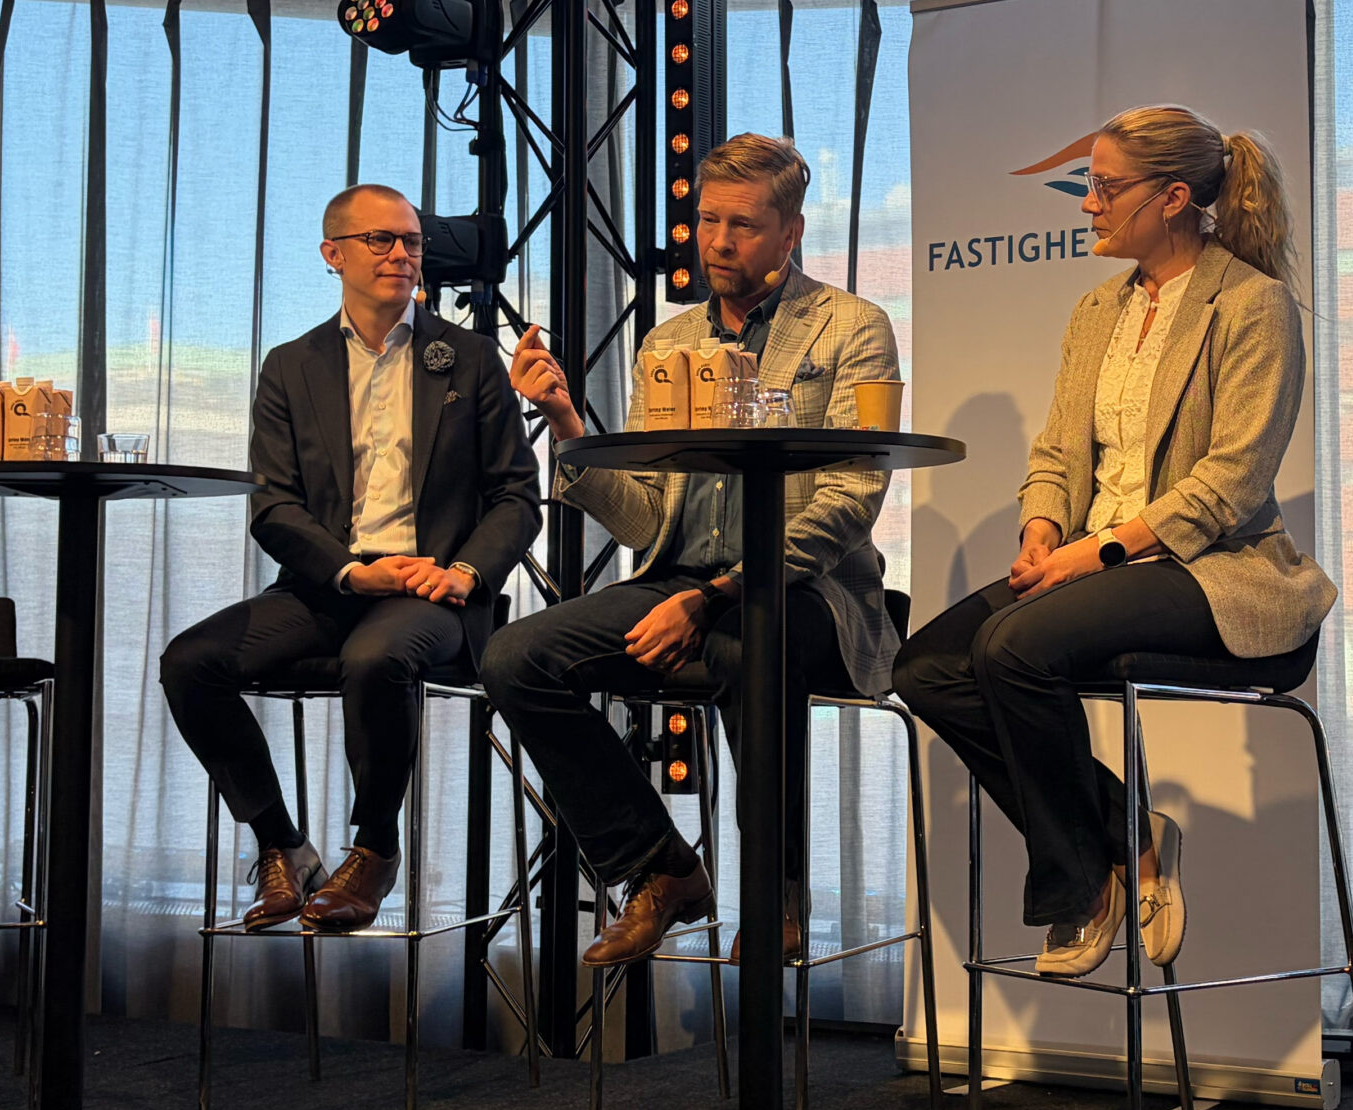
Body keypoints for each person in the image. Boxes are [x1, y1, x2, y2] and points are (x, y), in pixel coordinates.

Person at [892, 104, 1329, 981]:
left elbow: (1231, 483)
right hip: (1094, 556)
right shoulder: (1098, 310)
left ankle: (1081, 884)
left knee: (1013, 646)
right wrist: (1043, 530)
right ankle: (1129, 829)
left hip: (1211, 567)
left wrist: (1092, 554)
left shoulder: (1252, 304)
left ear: (1173, 198)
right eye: (1088, 183)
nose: (1087, 202)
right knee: (924, 667)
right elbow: (1058, 451)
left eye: (1104, 186)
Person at [485, 133, 901, 967]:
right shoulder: (668, 342)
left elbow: (850, 500)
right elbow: (647, 520)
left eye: (742, 225)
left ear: (790, 232)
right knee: (514, 657)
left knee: (749, 643)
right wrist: (567, 422)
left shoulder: (851, 327)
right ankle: (661, 865)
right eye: (707, 220)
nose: (717, 241)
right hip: (678, 579)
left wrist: (713, 598)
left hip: (807, 595)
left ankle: (778, 894)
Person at [160, 183, 540, 935]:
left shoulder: (468, 358)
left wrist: (461, 572)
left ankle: (373, 849)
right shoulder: (291, 365)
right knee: (190, 662)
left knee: (376, 656)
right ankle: (282, 844)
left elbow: (517, 497)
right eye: (380, 240)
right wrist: (350, 571)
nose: (401, 253)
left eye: (411, 241)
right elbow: (274, 508)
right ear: (333, 254)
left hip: (432, 593)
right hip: (329, 585)